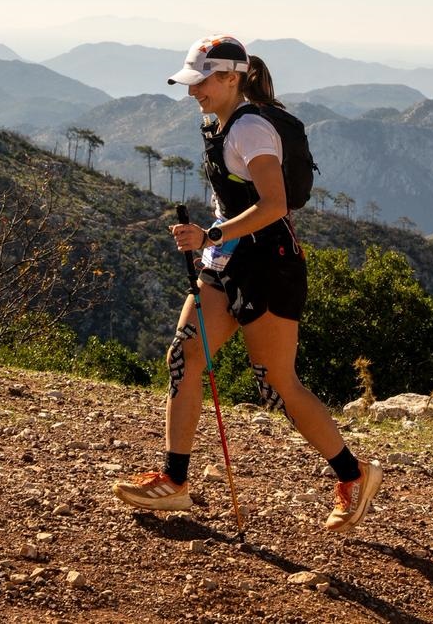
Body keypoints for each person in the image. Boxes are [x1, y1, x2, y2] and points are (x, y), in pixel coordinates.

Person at [112, 34, 382, 533]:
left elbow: (275, 205)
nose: (193, 91)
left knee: (278, 382)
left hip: (270, 266)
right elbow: (233, 202)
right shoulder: (222, 124)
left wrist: (209, 234)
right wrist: (213, 244)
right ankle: (174, 481)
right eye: (190, 82)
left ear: (231, 77)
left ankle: (354, 473)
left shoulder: (251, 128)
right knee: (185, 355)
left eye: (202, 82)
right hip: (227, 261)